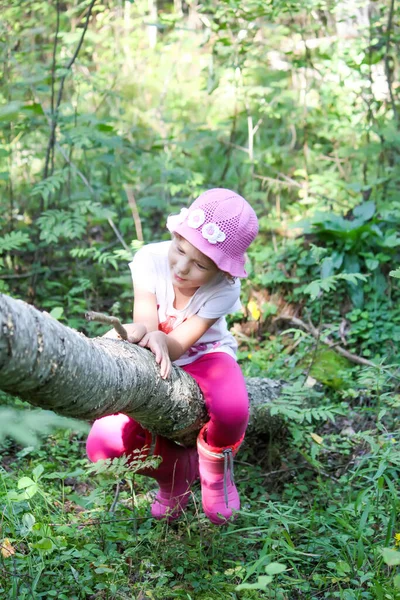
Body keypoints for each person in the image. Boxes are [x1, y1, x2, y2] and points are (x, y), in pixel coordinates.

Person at [86, 188, 259, 525]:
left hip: (205, 355)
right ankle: (174, 472)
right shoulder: (149, 261)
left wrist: (162, 341)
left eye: (200, 265)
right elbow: (147, 321)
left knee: (232, 409)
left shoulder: (225, 288)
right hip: (153, 354)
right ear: (175, 235)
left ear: (223, 271)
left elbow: (180, 342)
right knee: (102, 444)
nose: (181, 267)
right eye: (179, 249)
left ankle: (214, 469)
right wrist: (139, 333)